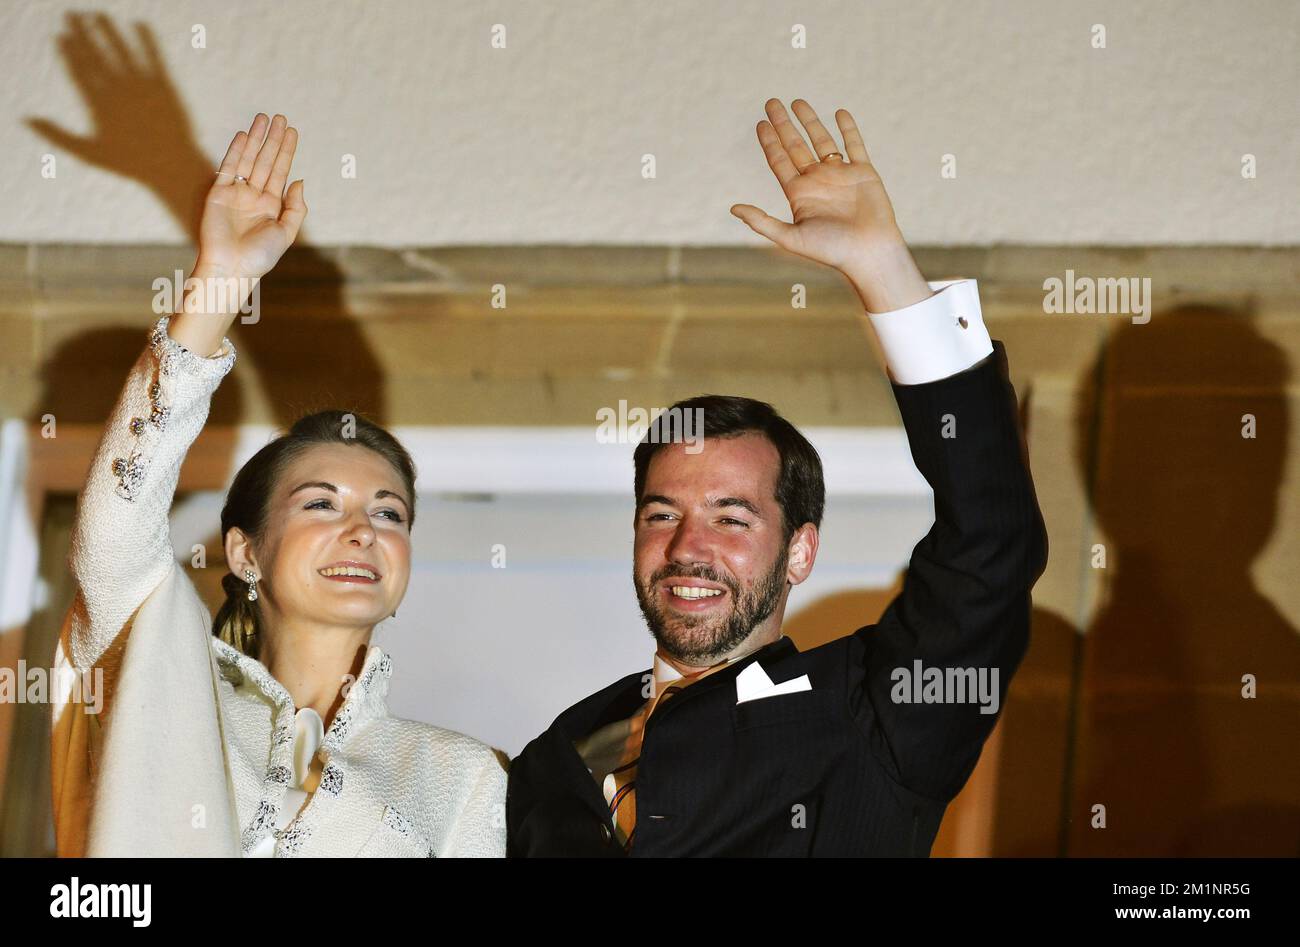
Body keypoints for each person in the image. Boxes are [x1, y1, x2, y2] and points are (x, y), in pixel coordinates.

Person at [506, 99, 1049, 856]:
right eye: (662, 514)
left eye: (732, 517)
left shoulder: (874, 711)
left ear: (800, 550)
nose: (688, 546)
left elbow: (992, 543)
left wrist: (882, 266)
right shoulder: (552, 756)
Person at [50, 113, 506, 857]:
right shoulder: (151, 670)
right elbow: (113, 532)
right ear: (245, 552)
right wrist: (219, 284)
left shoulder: (462, 776)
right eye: (321, 501)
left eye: (390, 513)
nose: (364, 530)